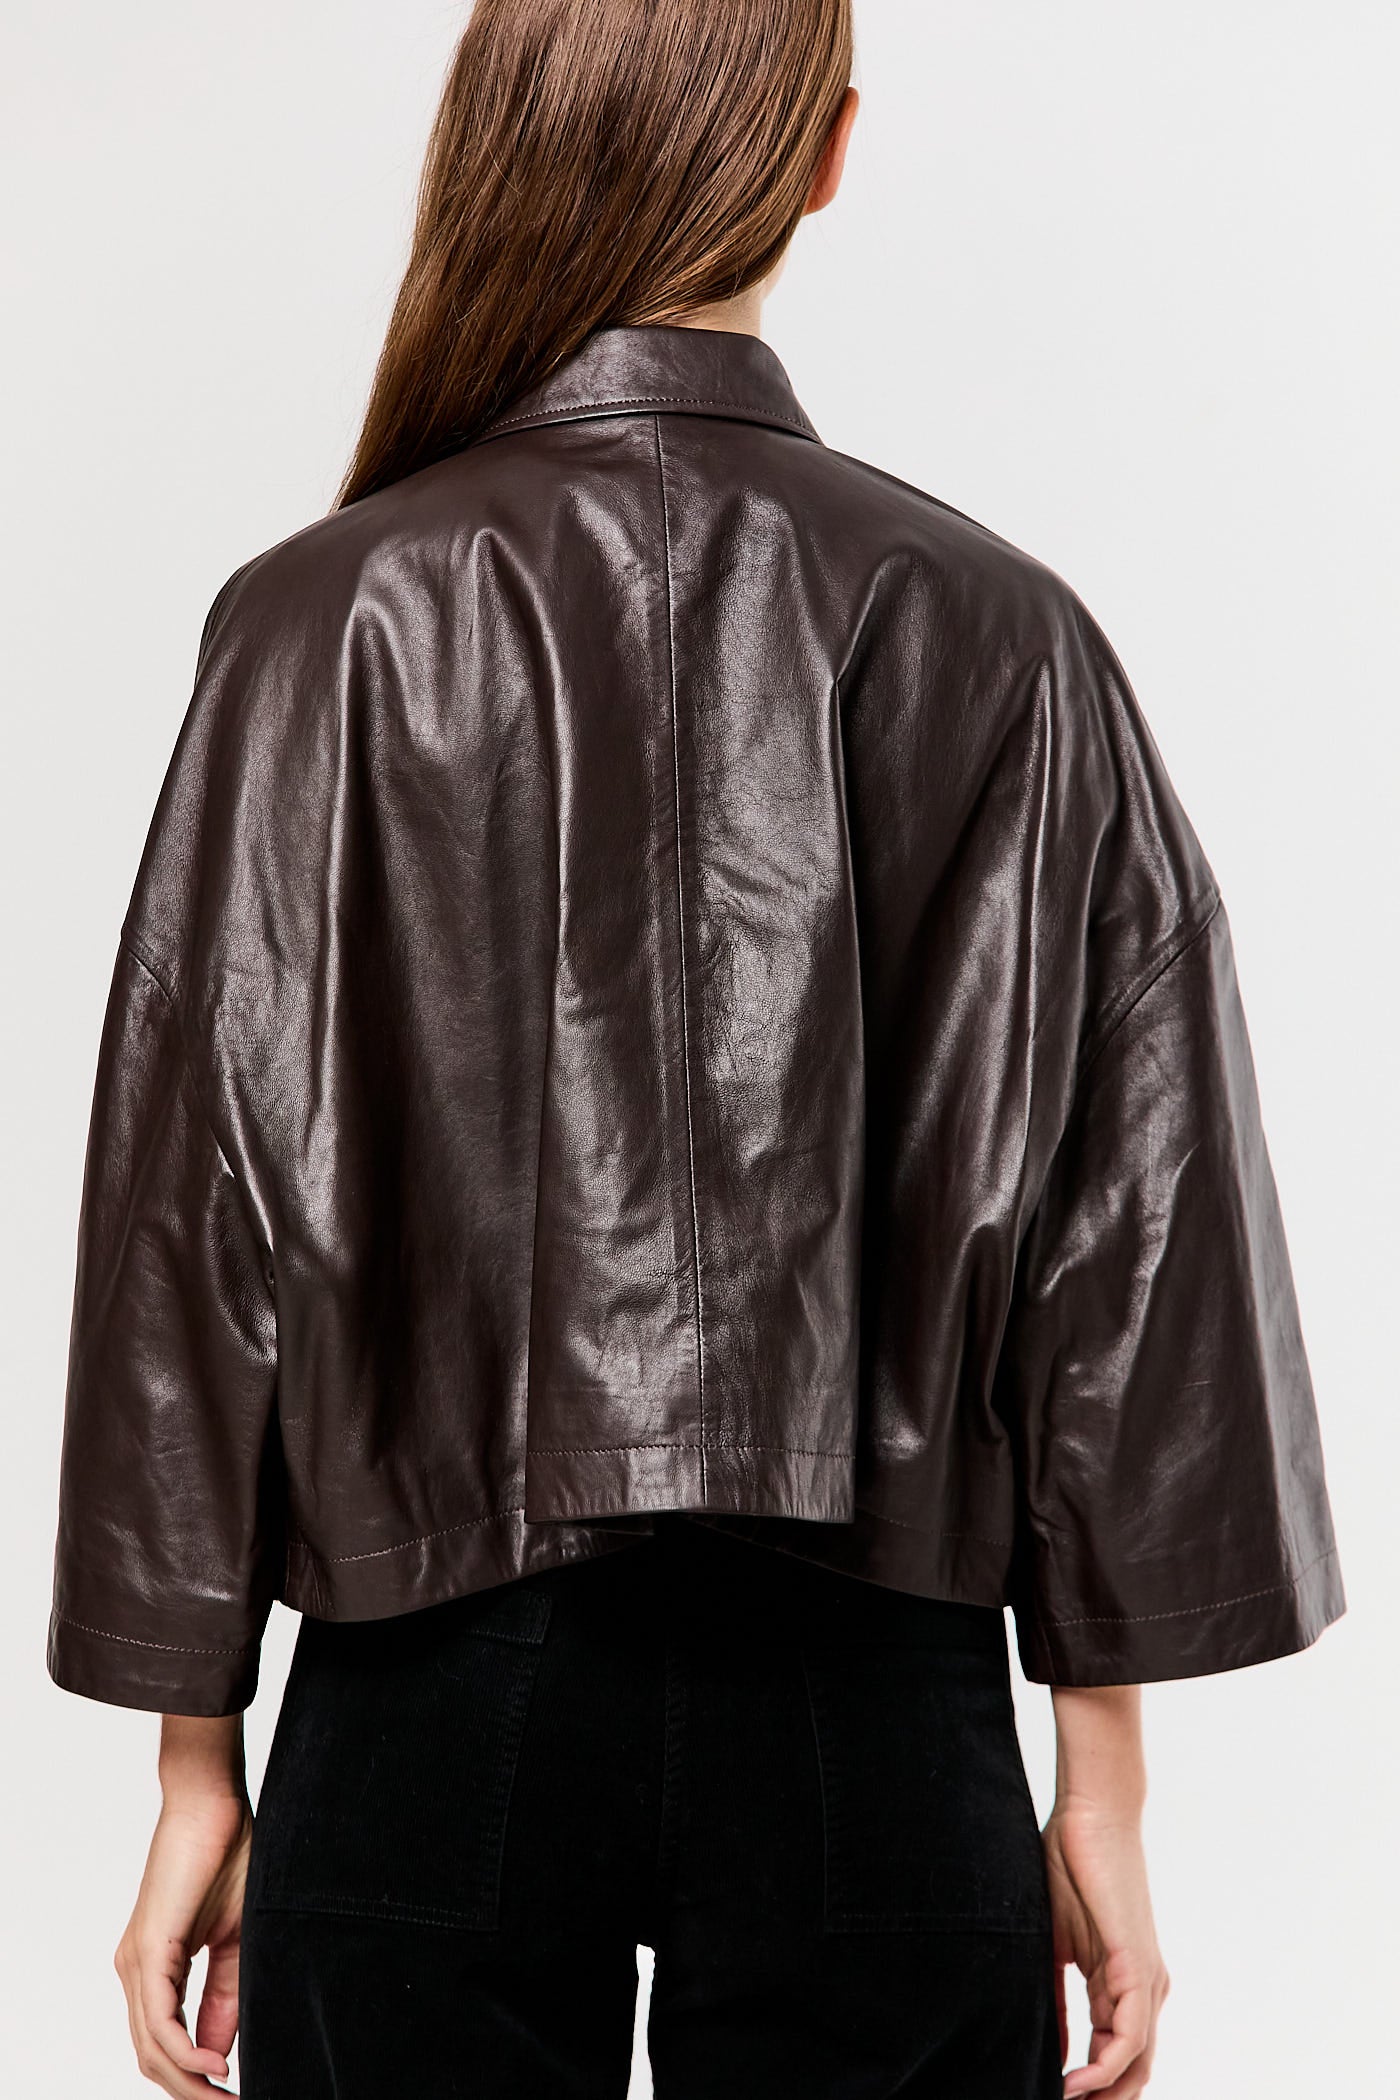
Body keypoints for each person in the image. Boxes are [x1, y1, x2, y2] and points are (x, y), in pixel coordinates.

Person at [47, 4, 1345, 2096]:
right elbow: (1133, 1223)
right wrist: (1101, 1782)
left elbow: (192, 1204)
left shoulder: (314, 622)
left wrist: (194, 1752)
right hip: (875, 1694)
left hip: (425, 1687)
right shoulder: (1004, 629)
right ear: (825, 154)